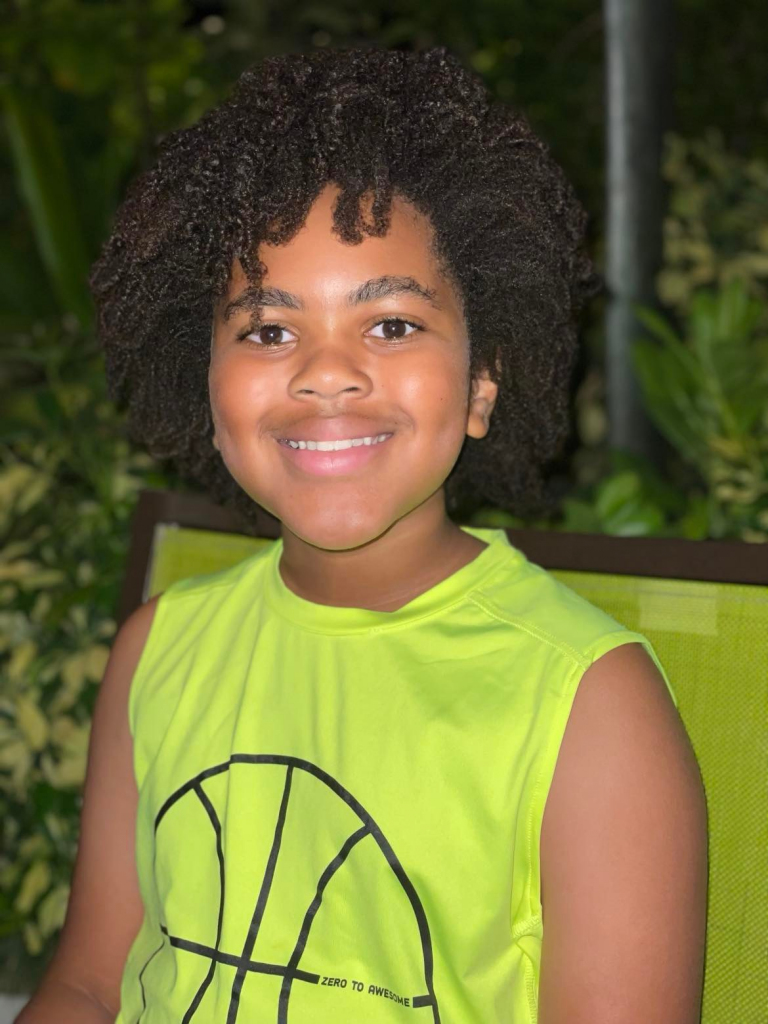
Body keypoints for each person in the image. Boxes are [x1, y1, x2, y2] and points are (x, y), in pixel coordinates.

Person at [17, 48, 707, 1024]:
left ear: (480, 387)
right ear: (205, 381)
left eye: (390, 324)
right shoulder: (157, 649)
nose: (325, 371)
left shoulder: (590, 705)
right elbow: (90, 982)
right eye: (267, 330)